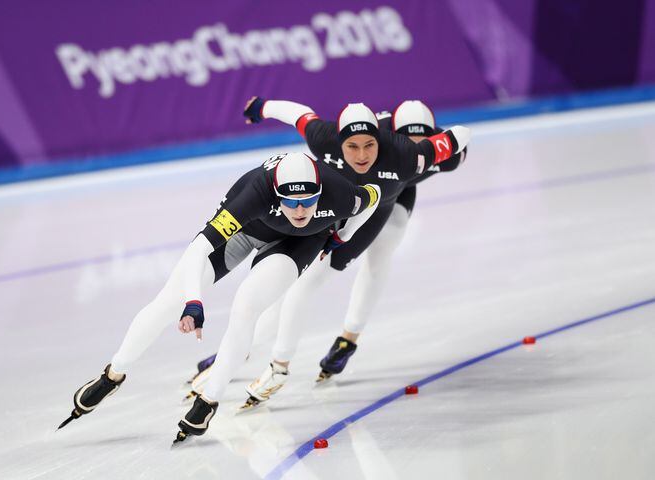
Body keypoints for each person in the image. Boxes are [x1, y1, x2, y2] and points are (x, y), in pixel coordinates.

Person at [57, 151, 382, 439]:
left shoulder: (340, 194)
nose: (299, 210)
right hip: (247, 229)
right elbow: (199, 248)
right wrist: (193, 301)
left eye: (308, 201)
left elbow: (375, 196)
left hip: (297, 244)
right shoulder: (254, 193)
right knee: (168, 302)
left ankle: (209, 400)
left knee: (245, 306)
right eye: (290, 201)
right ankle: (113, 375)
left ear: (320, 193)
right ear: (276, 193)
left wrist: (341, 236)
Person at [187, 98, 472, 409]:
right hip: (340, 202)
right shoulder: (335, 139)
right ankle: (245, 349)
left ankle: (346, 339)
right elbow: (300, 116)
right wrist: (263, 106)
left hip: (385, 200)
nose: (361, 154)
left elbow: (459, 137)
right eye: (355, 147)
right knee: (295, 282)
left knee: (380, 255)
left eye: (424, 144)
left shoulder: (423, 156)